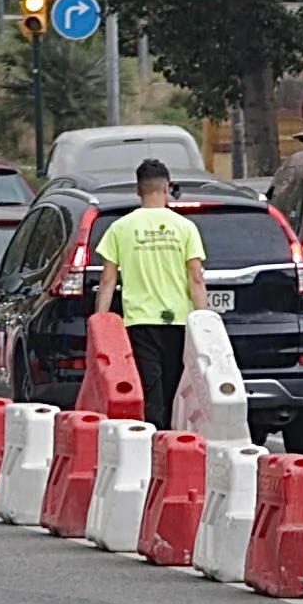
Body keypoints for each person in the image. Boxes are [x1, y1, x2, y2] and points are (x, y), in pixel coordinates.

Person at [94, 155, 205, 424]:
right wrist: (204, 321)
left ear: (137, 189)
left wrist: (101, 322)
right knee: (172, 387)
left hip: (139, 321)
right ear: (167, 187)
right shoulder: (185, 227)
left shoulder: (120, 228)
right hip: (178, 320)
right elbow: (196, 279)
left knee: (149, 388)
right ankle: (169, 441)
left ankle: (155, 440)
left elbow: (108, 281)